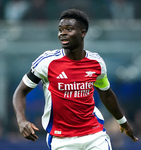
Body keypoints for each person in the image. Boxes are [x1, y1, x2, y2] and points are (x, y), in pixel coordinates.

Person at [13, 8, 138, 150]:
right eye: (60, 30)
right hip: (61, 140)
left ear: (83, 32)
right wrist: (21, 120)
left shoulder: (96, 63)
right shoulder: (47, 62)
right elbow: (20, 92)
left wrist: (123, 122)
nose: (63, 33)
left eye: (69, 29)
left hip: (94, 135)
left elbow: (106, 93)